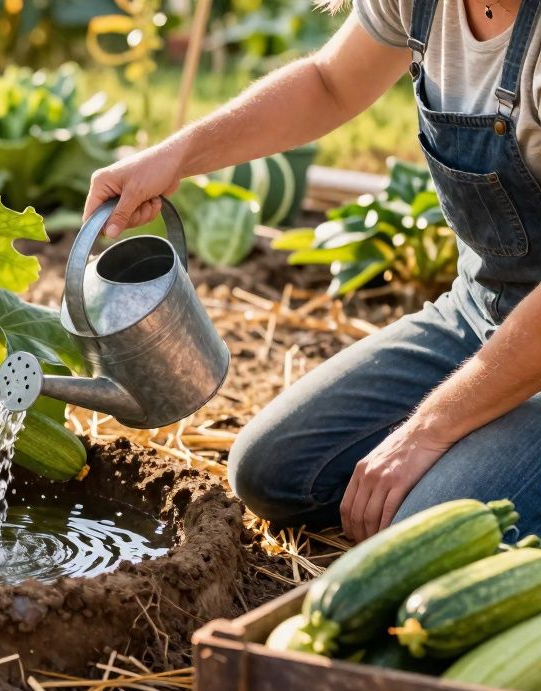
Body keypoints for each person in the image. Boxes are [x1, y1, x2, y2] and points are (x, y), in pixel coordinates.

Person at [84, 0, 541, 541]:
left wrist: (427, 431)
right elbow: (329, 83)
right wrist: (177, 154)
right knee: (272, 471)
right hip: (480, 309)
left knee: (422, 538)